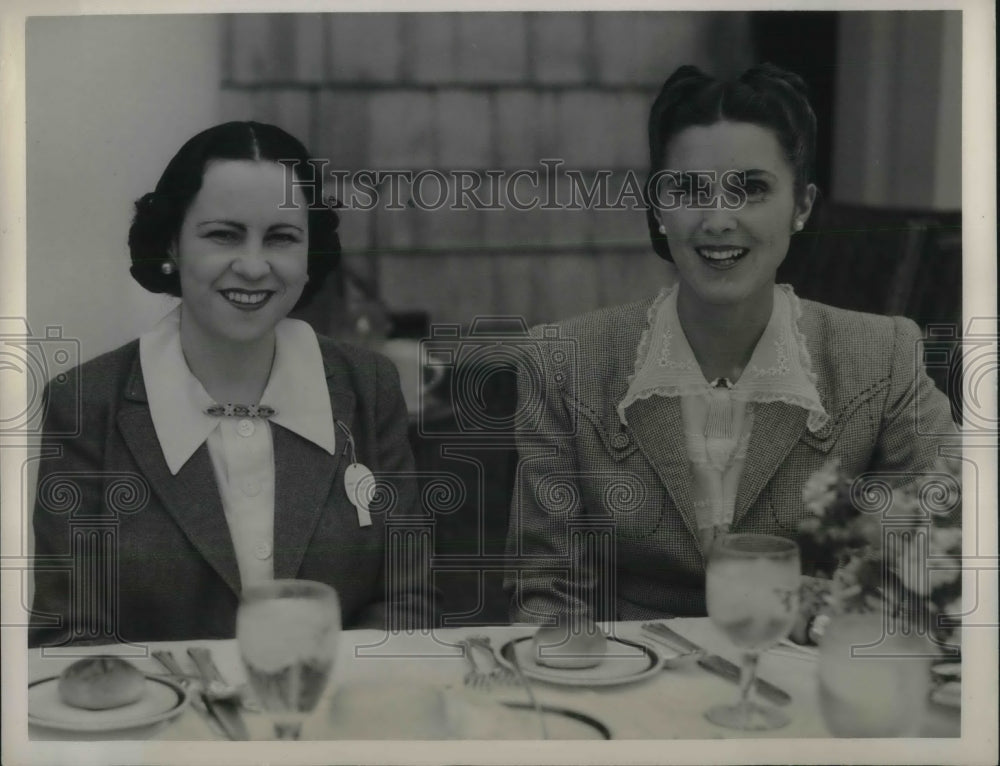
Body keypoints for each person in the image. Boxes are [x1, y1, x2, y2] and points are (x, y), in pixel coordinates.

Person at [503, 64, 959, 626]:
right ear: (658, 207)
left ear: (802, 206)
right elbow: (548, 597)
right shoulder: (562, 362)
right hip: (632, 685)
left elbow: (950, 541)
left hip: (806, 680)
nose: (719, 220)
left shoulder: (882, 356)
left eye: (752, 189)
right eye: (689, 189)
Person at [30, 122, 434, 647]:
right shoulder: (86, 403)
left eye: (282, 237)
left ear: (310, 254)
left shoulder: (369, 385)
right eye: (223, 235)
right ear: (172, 242)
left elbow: (408, 601)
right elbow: (68, 634)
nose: (252, 265)